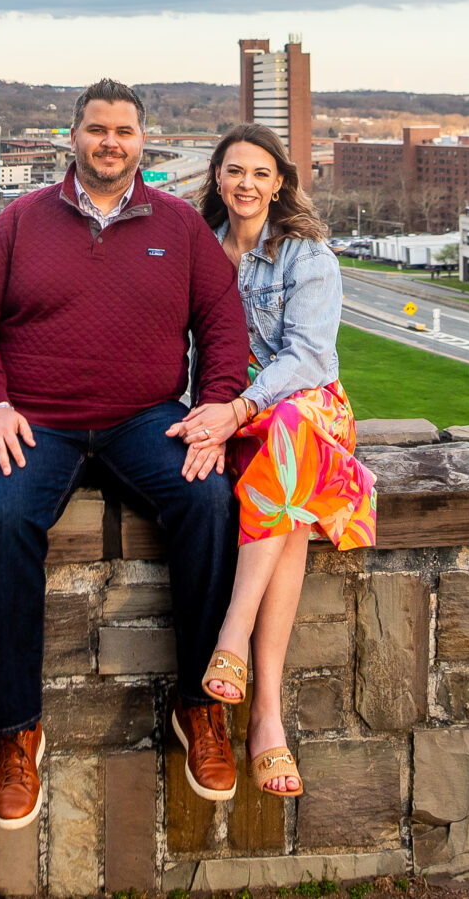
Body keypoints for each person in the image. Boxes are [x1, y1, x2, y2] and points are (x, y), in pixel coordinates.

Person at [0, 78, 251, 830]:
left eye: (123, 130)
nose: (109, 142)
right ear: (73, 136)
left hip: (142, 418)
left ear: (142, 140)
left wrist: (215, 407)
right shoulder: (21, 220)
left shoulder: (179, 226)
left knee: (209, 499)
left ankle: (200, 708)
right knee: (6, 514)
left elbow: (223, 323)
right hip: (36, 421)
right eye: (96, 129)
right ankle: (17, 731)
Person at [176, 125, 373, 799]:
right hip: (247, 423)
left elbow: (310, 359)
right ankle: (266, 719)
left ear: (280, 182)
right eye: (235, 171)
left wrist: (237, 409)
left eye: (260, 173)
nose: (247, 184)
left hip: (305, 407)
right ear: (218, 178)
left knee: (289, 432)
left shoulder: (304, 252)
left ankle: (232, 636)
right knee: (285, 509)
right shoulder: (200, 249)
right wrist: (204, 413)